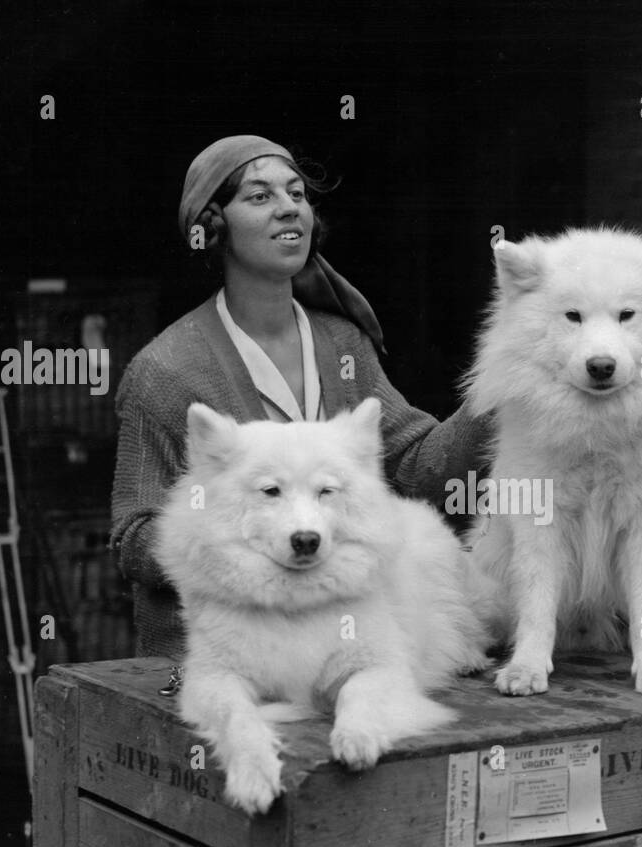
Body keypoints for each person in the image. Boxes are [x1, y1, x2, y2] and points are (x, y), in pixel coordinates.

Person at [109, 135, 491, 660]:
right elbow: (134, 539)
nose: (289, 206)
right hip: (221, 656)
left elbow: (414, 468)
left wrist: (496, 393)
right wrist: (253, 552)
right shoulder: (167, 371)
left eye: (296, 193)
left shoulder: (342, 345)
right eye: (260, 196)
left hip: (340, 645)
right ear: (213, 226)